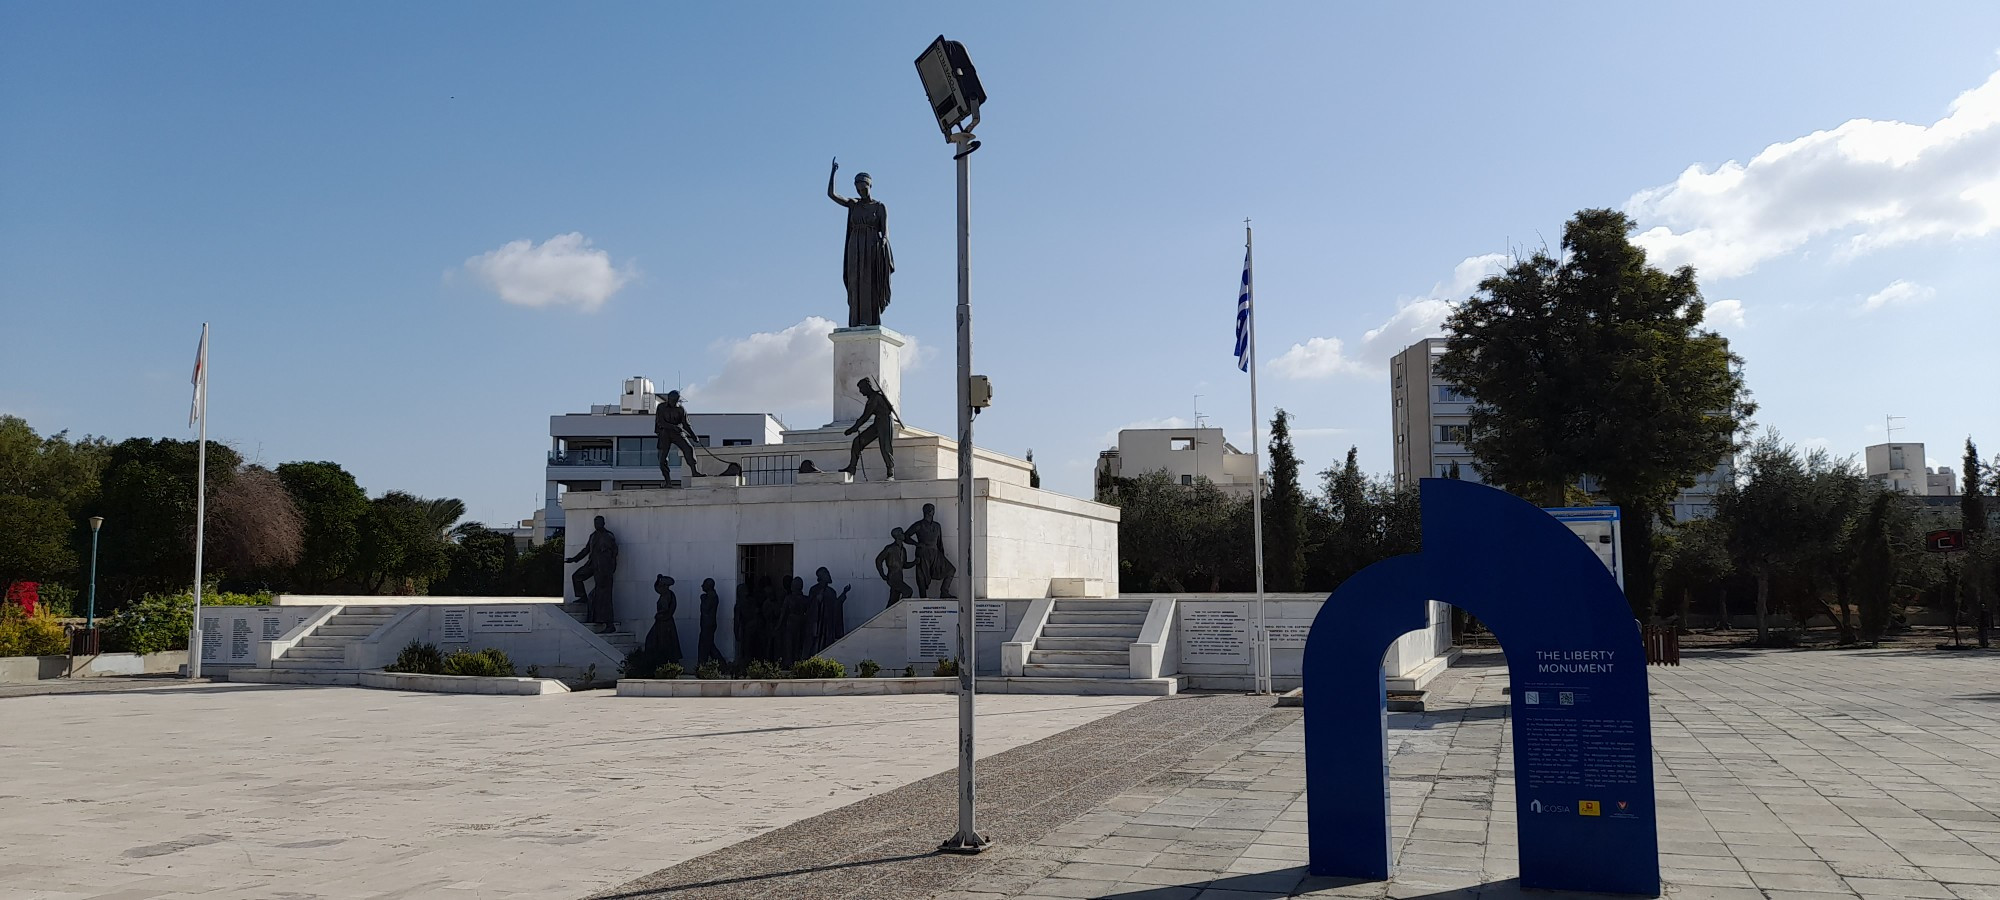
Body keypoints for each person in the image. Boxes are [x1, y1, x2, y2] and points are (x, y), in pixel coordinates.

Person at [827, 159, 893, 327]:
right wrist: (833, 172)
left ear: (869, 186)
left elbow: (885, 231)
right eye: (858, 188)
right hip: (855, 245)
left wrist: (884, 240)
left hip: (872, 245)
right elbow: (832, 195)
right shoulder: (853, 204)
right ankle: (855, 320)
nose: (861, 191)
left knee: (868, 281)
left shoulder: (879, 207)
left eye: (863, 188)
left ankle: (869, 320)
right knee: (855, 281)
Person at [841, 377, 901, 479]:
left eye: (861, 388)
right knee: (857, 442)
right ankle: (852, 467)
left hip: (885, 421)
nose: (860, 391)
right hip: (878, 422)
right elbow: (865, 416)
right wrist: (854, 428)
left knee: (885, 448)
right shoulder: (872, 398)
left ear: (867, 387)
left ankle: (890, 473)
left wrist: (853, 429)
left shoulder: (876, 398)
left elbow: (865, 416)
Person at [566, 515, 619, 626]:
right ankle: (582, 596)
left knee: (602, 595)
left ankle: (606, 622)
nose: (596, 525)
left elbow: (613, 553)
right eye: (595, 523)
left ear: (603, 523)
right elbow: (586, 550)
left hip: (603, 568)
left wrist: (609, 569)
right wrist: (574, 559)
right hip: (592, 564)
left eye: (598, 523)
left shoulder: (609, 536)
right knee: (576, 576)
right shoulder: (593, 536)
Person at [904, 503, 956, 599]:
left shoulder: (937, 526)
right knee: (921, 576)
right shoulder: (919, 525)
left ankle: (944, 592)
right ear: (927, 512)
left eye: (932, 509)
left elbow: (940, 542)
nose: (932, 512)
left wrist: (942, 556)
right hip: (923, 553)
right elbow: (905, 536)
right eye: (931, 510)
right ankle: (923, 597)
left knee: (951, 570)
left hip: (935, 553)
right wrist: (916, 544)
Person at [653, 390, 703, 481]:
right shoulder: (661, 407)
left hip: (677, 433)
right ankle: (667, 481)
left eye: (674, 400)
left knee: (689, 448)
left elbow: (686, 424)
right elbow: (660, 422)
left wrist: (693, 435)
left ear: (677, 400)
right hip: (665, 433)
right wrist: (673, 427)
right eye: (670, 399)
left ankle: (695, 472)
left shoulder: (681, 409)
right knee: (662, 458)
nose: (672, 402)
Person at [645, 575, 683, 664]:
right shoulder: (667, 593)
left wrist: (658, 615)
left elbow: (665, 609)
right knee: (663, 643)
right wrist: (658, 579)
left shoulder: (666, 595)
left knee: (661, 643)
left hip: (664, 623)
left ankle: (662, 663)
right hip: (664, 622)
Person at [875, 527, 916, 605]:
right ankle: (900, 610)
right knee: (908, 591)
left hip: (899, 578)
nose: (903, 534)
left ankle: (888, 615)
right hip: (892, 578)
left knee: (893, 601)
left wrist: (915, 562)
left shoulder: (903, 550)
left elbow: (905, 565)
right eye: (901, 533)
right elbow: (878, 560)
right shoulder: (890, 548)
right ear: (897, 536)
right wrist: (882, 574)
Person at [697, 578, 722, 667]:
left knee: (704, 646)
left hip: (708, 625)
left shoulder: (711, 596)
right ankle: (721, 664)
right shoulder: (710, 595)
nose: (702, 586)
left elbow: (705, 609)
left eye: (704, 584)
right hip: (707, 624)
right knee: (709, 646)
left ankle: (702, 665)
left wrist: (702, 599)